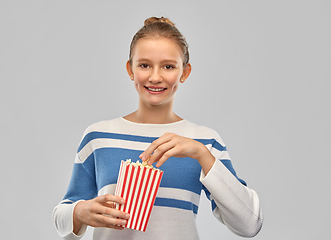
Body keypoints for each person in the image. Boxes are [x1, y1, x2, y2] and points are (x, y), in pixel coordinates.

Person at [53, 16, 263, 240]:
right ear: (130, 69)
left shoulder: (204, 141)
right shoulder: (98, 137)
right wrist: (79, 212)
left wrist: (200, 153)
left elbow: (250, 224)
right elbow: (62, 217)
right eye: (144, 65)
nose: (155, 77)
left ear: (184, 72)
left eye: (168, 66)